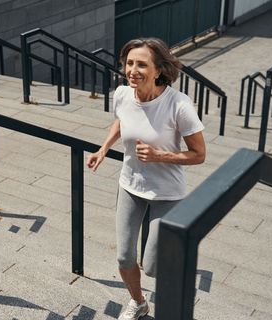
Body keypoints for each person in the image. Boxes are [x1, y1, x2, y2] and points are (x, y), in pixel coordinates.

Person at [86, 38, 206, 320]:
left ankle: (180, 281)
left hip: (167, 193)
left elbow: (199, 154)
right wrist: (103, 149)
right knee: (124, 257)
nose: (133, 70)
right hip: (130, 185)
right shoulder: (123, 94)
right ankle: (138, 302)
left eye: (142, 64)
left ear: (158, 69)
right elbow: (121, 120)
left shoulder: (179, 105)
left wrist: (159, 156)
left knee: (152, 265)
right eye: (129, 63)